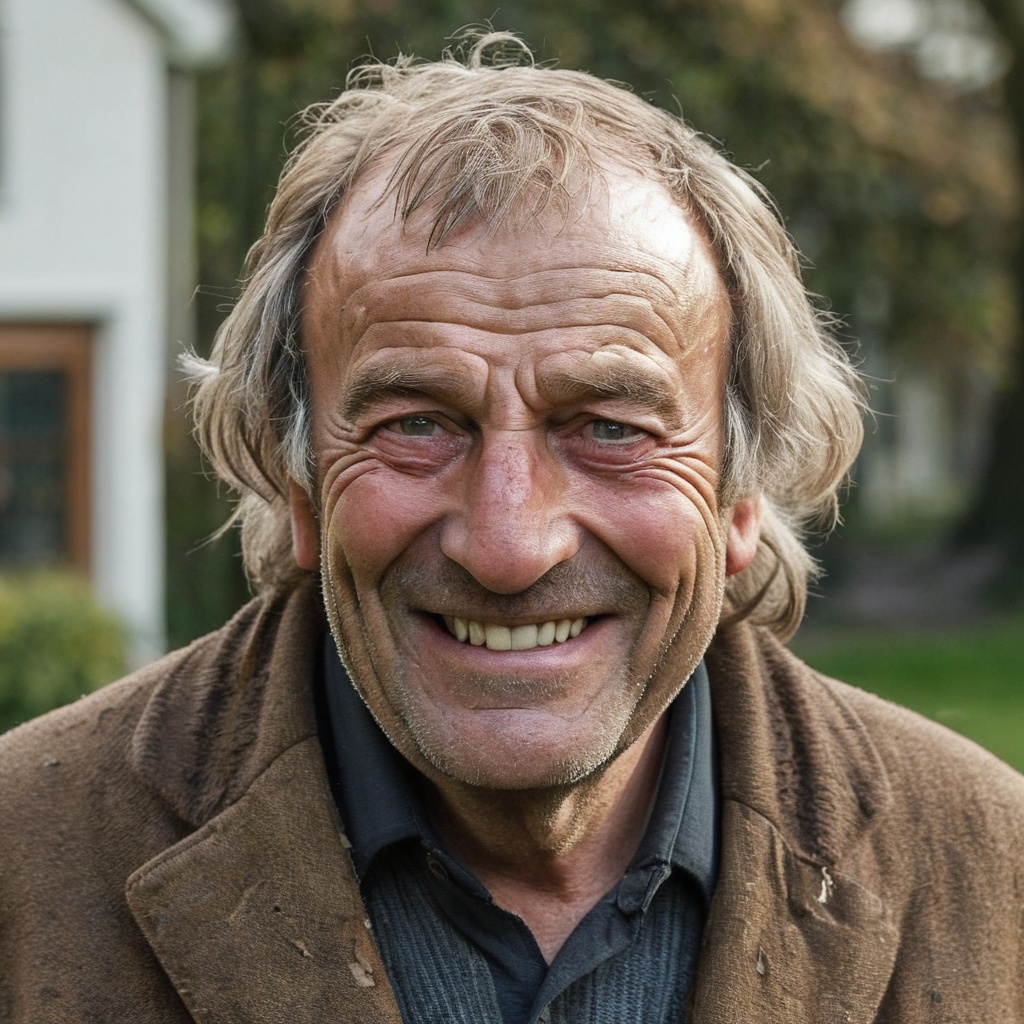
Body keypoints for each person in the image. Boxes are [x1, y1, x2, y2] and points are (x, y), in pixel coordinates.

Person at [1, 31, 1022, 1024]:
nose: (508, 546)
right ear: (298, 485)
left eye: (611, 428)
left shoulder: (996, 876)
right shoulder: (23, 864)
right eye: (416, 424)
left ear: (740, 493)